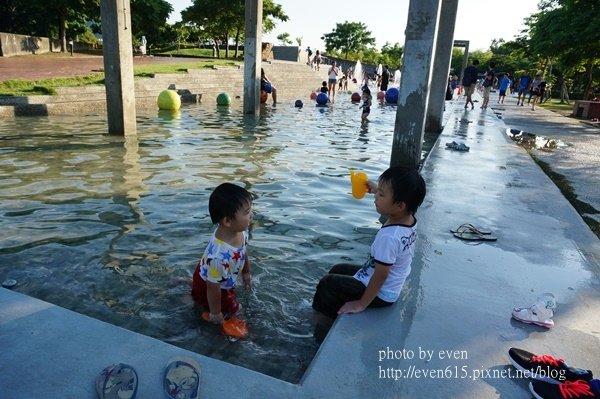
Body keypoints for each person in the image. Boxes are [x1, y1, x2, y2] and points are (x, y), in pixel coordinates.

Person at [312, 166, 426, 319]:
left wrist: (361, 304)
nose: (375, 197)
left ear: (400, 205)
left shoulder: (390, 237)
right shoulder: (408, 218)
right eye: (378, 192)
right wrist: (376, 189)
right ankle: (332, 306)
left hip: (382, 293)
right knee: (338, 269)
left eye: (381, 195)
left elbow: (381, 275)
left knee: (327, 284)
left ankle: (322, 320)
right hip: (391, 285)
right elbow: (398, 201)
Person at [191, 183, 253, 324]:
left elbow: (243, 251)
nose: (252, 215)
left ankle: (192, 286)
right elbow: (213, 289)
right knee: (236, 310)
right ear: (227, 221)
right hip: (211, 285)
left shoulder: (241, 231)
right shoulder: (218, 256)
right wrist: (216, 313)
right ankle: (199, 301)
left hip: (207, 272)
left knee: (208, 281)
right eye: (247, 212)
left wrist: (246, 272)